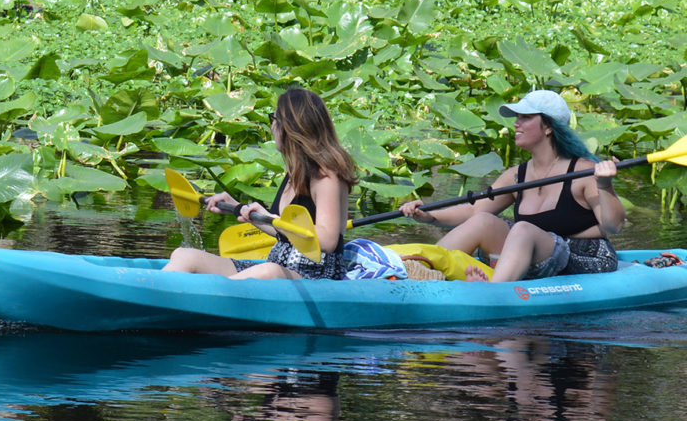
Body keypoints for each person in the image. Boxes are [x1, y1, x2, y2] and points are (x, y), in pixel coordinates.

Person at [400, 89, 625, 282]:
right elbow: (474, 210)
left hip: (586, 257)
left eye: (526, 117)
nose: (516, 122)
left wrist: (604, 185)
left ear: (548, 127)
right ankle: (419, 270)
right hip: (534, 254)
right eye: (517, 116)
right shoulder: (516, 176)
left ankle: (494, 293)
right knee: (483, 221)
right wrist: (429, 216)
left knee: (522, 228)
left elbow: (613, 225)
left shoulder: (583, 171)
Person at [164, 87, 357, 279]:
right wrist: (238, 208)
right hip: (280, 266)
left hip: (316, 275)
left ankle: (198, 301)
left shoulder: (326, 176)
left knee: (268, 271)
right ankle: (154, 300)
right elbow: (284, 233)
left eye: (274, 119)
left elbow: (328, 239)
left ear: (290, 127)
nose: (272, 127)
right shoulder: (295, 172)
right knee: (185, 256)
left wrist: (273, 219)